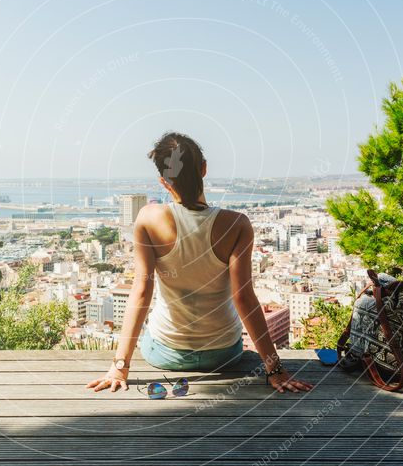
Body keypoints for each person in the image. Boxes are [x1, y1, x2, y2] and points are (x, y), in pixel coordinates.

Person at [86, 132, 313, 395]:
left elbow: (141, 291)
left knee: (153, 330)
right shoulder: (236, 224)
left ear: (163, 181)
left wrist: (120, 366)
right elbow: (244, 299)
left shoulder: (148, 218)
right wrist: (275, 369)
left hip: (164, 352)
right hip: (224, 354)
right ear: (204, 169)